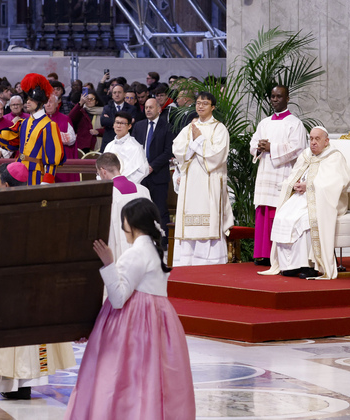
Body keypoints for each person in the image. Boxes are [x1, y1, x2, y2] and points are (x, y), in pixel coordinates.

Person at [66, 199, 195, 420]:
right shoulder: (154, 251)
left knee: (121, 380)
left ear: (132, 223)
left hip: (134, 326)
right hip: (157, 322)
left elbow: (118, 299)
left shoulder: (136, 253)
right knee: (151, 381)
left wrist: (108, 264)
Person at [259, 126, 350, 279]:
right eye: (311, 139)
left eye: (317, 139)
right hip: (301, 197)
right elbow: (294, 175)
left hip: (323, 200)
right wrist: (294, 184)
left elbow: (336, 182)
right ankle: (289, 265)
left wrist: (309, 185)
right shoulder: (306, 155)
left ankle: (310, 266)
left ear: (326, 141)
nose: (313, 143)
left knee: (304, 219)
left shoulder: (334, 156)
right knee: (283, 216)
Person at [171, 91, 234, 266]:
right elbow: (178, 150)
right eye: (198, 103)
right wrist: (194, 144)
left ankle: (209, 263)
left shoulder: (219, 128)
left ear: (212, 107)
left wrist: (198, 141)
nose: (200, 106)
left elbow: (217, 156)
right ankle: (187, 263)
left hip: (209, 180)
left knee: (209, 221)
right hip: (191, 182)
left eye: (205, 103)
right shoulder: (188, 128)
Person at [250, 86, 308, 266]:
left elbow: (297, 148)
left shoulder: (294, 123)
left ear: (287, 98)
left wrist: (271, 148)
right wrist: (258, 147)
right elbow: (253, 143)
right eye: (272, 96)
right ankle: (263, 254)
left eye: (279, 96)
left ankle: (275, 254)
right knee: (263, 211)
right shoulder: (264, 123)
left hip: (283, 173)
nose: (275, 100)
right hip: (265, 172)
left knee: (276, 212)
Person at [0, 73, 65, 185]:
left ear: (40, 102)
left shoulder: (49, 125)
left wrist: (47, 180)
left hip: (36, 173)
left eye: (32, 99)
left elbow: (52, 159)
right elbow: (12, 144)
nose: (27, 102)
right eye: (27, 99)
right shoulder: (24, 122)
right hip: (19, 170)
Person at [132, 98, 175, 246]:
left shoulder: (167, 126)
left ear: (159, 109)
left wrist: (152, 166)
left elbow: (168, 151)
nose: (148, 110)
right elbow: (135, 148)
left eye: (151, 107)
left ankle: (163, 241)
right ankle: (143, 240)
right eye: (146, 108)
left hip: (158, 175)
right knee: (142, 209)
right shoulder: (139, 126)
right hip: (141, 176)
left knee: (160, 209)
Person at [96, 152, 151, 259]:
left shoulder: (108, 194)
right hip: (144, 253)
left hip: (121, 255)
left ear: (103, 172)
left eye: (98, 174)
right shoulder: (143, 190)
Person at [102, 111, 147, 184]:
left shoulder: (135, 147)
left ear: (129, 126)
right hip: (109, 186)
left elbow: (143, 170)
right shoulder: (109, 146)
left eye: (122, 123)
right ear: (113, 125)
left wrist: (124, 184)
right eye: (117, 122)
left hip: (127, 187)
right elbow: (102, 167)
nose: (118, 126)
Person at [44, 94, 78, 183]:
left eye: (50, 102)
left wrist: (52, 136)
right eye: (46, 102)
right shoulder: (40, 120)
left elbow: (71, 139)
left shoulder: (65, 119)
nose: (48, 105)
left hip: (62, 162)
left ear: (57, 104)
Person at [99, 84, 135, 150]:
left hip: (126, 144)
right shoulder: (107, 108)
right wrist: (123, 122)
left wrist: (110, 120)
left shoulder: (131, 108)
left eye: (119, 92)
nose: (117, 95)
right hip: (108, 142)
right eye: (114, 93)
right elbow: (103, 121)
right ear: (112, 95)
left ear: (124, 94)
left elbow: (132, 123)